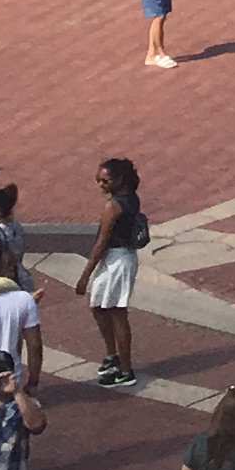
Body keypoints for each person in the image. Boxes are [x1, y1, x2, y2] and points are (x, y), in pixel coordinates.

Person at [77, 158, 147, 386]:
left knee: (117, 312)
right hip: (120, 257)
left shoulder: (113, 206)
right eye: (98, 180)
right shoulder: (131, 197)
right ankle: (112, 355)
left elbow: (102, 242)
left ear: (119, 180)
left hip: (117, 259)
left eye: (105, 181)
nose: (101, 185)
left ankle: (125, 370)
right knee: (98, 305)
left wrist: (85, 275)